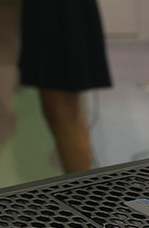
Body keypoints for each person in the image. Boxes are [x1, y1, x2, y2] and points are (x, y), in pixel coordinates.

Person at [18, 0, 112, 174]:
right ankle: (82, 187)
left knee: (64, 110)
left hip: (59, 8)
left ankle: (82, 188)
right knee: (60, 111)